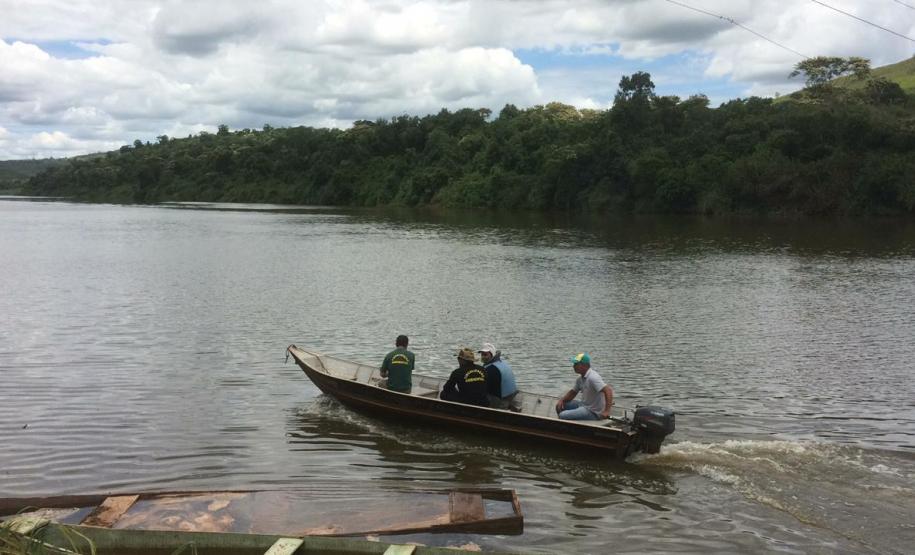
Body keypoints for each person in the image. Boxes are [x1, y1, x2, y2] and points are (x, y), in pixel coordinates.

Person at [555, 353, 613, 420]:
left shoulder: (593, 377)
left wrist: (606, 411)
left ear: (584, 365)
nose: (573, 366)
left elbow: (608, 391)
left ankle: (565, 421)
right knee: (560, 405)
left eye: (576, 364)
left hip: (593, 412)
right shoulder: (580, 379)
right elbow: (573, 392)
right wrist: (562, 400)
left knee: (562, 415)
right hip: (583, 405)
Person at [479, 343, 521, 411]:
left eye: (485, 355)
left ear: (492, 354)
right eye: (482, 354)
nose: (483, 357)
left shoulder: (490, 369)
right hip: (513, 396)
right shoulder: (502, 363)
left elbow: (482, 388)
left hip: (502, 400)